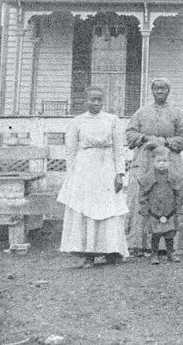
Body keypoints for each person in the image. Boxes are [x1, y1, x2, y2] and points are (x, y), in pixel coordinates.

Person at [57, 86, 129, 267]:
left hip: (107, 168)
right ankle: (88, 253)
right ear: (85, 100)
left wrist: (119, 173)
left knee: (109, 209)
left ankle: (111, 251)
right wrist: (72, 175)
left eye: (98, 99)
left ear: (103, 100)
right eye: (92, 99)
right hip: (85, 169)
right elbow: (71, 151)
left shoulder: (112, 120)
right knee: (87, 209)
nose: (95, 103)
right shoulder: (77, 121)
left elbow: (118, 149)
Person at [125, 78, 183, 253]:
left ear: (168, 91)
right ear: (152, 91)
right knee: (143, 195)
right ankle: (139, 243)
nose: (159, 92)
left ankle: (169, 245)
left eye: (163, 89)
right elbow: (130, 133)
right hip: (145, 159)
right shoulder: (142, 112)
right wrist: (145, 138)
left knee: (170, 194)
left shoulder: (176, 113)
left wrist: (165, 142)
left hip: (169, 159)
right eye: (156, 89)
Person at [139, 146, 183, 264]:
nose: (162, 164)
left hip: (170, 210)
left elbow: (180, 194)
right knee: (156, 233)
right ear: (153, 163)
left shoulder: (174, 177)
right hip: (154, 211)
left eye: (164, 161)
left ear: (169, 162)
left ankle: (171, 253)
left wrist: (178, 207)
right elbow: (143, 194)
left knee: (170, 233)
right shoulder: (148, 178)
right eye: (158, 161)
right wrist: (145, 208)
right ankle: (154, 254)